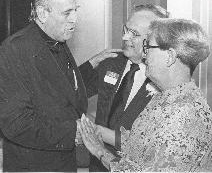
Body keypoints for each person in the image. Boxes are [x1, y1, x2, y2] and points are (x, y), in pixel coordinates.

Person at [0, 0, 118, 172]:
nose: (74, 19)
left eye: (76, 10)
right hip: (34, 166)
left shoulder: (56, 38)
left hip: (62, 163)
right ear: (42, 13)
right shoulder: (14, 50)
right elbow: (16, 124)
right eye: (66, 13)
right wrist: (74, 132)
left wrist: (91, 65)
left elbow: (58, 91)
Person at [79, 18, 212, 172]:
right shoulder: (164, 98)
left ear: (170, 56)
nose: (143, 54)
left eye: (148, 47)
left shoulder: (183, 114)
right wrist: (97, 135)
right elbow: (141, 143)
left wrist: (100, 152)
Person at [79, 4, 169, 171]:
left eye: (134, 34)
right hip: (98, 165)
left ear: (155, 39)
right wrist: (90, 65)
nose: (126, 38)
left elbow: (156, 142)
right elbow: (70, 91)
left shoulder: (164, 79)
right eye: (125, 29)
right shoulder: (111, 63)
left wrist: (101, 134)